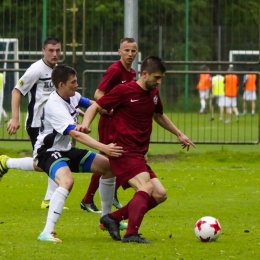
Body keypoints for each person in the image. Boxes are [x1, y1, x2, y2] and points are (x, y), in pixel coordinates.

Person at [81, 56, 195, 244]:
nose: (159, 82)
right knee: (146, 187)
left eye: (160, 79)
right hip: (122, 151)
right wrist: (85, 125)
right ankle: (131, 234)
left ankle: (113, 218)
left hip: (138, 154)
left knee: (160, 194)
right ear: (144, 74)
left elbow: (158, 115)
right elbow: (96, 107)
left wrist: (179, 134)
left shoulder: (154, 93)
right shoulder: (124, 91)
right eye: (156, 78)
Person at [34, 64, 123, 242]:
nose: (77, 85)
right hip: (48, 151)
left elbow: (91, 104)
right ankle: (46, 232)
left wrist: (107, 109)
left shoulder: (72, 96)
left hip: (66, 149)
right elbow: (76, 134)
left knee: (108, 168)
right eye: (73, 82)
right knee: (67, 181)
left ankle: (107, 219)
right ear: (61, 85)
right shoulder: (54, 105)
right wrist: (104, 147)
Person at [0, 37, 61, 209]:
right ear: (43, 51)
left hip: (53, 122)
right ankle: (6, 162)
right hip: (37, 123)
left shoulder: (56, 70)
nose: (54, 54)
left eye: (57, 50)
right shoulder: (36, 69)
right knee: (43, 163)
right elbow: (17, 91)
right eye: (51, 50)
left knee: (56, 157)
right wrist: (15, 118)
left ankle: (49, 200)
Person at [80, 37, 138, 215]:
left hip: (122, 122)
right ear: (119, 52)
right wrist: (110, 109)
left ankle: (110, 193)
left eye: (133, 51)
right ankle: (88, 199)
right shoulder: (114, 70)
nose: (130, 54)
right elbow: (99, 93)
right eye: (126, 50)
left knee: (119, 157)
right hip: (109, 122)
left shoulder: (132, 73)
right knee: (106, 158)